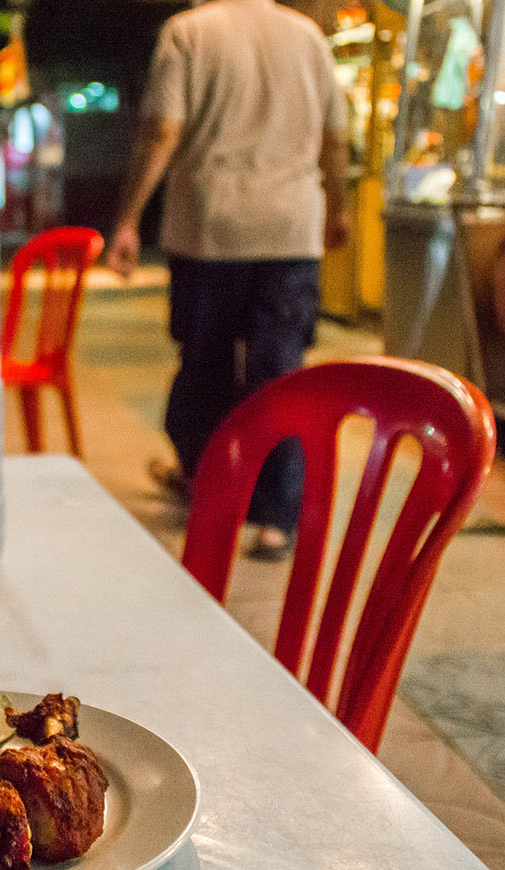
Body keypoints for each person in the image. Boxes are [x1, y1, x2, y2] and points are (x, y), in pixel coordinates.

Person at [104, 0, 350, 560]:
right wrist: (338, 206)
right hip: (290, 231)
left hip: (208, 230)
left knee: (204, 362)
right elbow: (335, 137)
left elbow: (162, 130)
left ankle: (206, 482)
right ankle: (277, 519)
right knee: (279, 371)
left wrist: (128, 219)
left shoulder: (188, 33)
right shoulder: (307, 37)